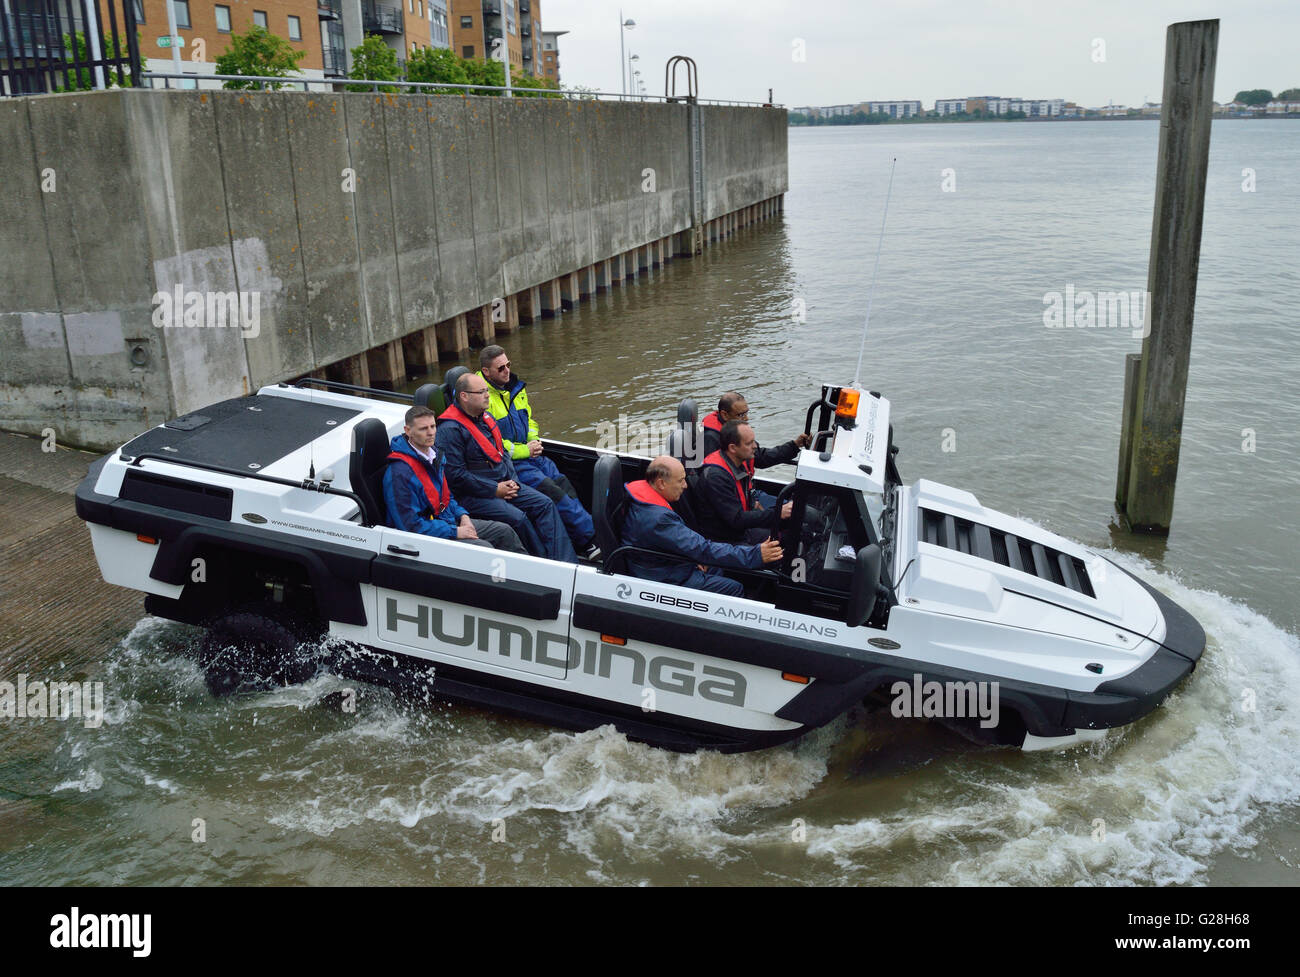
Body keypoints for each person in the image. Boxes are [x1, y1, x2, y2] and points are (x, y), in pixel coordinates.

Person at [435, 373, 579, 564]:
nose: (487, 395)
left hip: (505, 483)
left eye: (487, 390)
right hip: (475, 495)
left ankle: (566, 563)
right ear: (464, 396)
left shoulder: (485, 418)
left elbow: (502, 454)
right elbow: (456, 477)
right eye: (481, 392)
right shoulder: (450, 431)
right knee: (518, 518)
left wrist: (512, 481)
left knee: (545, 504)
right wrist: (495, 489)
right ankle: (542, 564)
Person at [478, 345, 599, 560]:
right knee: (552, 493)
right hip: (513, 463)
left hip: (532, 455)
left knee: (564, 485)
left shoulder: (515, 387)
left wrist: (533, 439)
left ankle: (586, 536)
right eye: (500, 368)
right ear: (486, 372)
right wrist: (526, 450)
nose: (506, 371)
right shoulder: (482, 398)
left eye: (508, 365)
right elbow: (492, 442)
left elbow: (530, 420)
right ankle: (589, 540)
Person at [621, 455, 782, 597]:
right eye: (680, 480)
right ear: (661, 483)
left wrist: (691, 557)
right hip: (665, 576)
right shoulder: (659, 519)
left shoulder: (645, 499)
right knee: (734, 587)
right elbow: (704, 549)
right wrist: (756, 555)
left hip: (665, 562)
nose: (685, 485)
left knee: (726, 570)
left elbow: (689, 545)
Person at [382, 406, 526, 553]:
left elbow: (446, 497)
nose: (431, 433)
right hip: (428, 537)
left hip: (448, 521)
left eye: (433, 426)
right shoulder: (399, 474)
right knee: (485, 550)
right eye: (423, 429)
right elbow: (410, 526)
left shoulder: (434, 455)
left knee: (504, 532)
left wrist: (463, 515)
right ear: (408, 431)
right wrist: (455, 532)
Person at [700, 391, 811, 508]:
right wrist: (753, 506)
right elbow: (718, 490)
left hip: (748, 493)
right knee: (802, 512)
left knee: (803, 509)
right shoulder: (710, 439)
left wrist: (795, 445)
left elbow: (761, 457)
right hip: (738, 500)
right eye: (741, 415)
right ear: (724, 415)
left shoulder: (736, 430)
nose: (746, 418)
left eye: (746, 413)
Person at [695, 420, 793, 545]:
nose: (755, 446)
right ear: (733, 448)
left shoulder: (739, 461)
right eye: (749, 443)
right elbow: (736, 519)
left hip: (740, 527)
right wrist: (777, 512)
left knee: (793, 522)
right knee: (787, 540)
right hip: (725, 539)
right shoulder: (716, 478)